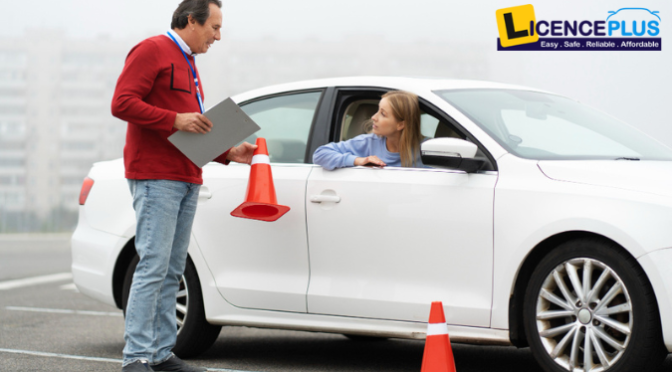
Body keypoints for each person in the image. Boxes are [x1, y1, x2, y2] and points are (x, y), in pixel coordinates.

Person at [110, 1, 256, 371]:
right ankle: (137, 357)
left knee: (172, 270)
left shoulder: (188, 61)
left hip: (187, 176)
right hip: (156, 176)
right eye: (214, 27)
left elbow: (192, 129)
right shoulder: (153, 49)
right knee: (153, 267)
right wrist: (174, 118)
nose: (218, 37)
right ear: (191, 20)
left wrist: (229, 152)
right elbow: (122, 103)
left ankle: (160, 355)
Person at [313, 90, 425, 170]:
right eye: (378, 110)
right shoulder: (367, 143)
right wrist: (359, 161)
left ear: (400, 125)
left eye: (383, 114)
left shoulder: (427, 150)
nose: (373, 117)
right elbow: (320, 154)